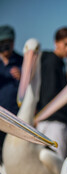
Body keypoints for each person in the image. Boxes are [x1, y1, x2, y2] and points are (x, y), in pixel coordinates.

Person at [36, 27, 67, 159]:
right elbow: (52, 94)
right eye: (66, 44)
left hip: (45, 120)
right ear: (56, 42)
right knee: (57, 161)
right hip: (54, 122)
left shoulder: (54, 62)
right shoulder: (53, 62)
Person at [0, 25, 23, 164]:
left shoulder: (23, 61)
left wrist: (24, 76)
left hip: (17, 119)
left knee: (14, 157)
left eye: (8, 42)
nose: (5, 46)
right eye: (2, 42)